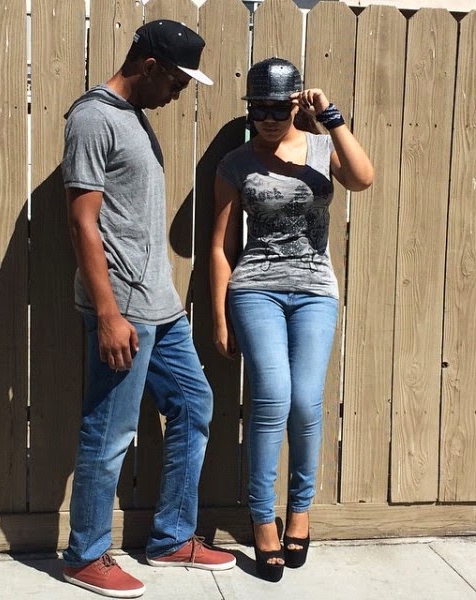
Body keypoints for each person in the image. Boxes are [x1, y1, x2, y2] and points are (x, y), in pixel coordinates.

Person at [60, 19, 236, 599]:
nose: (179, 93)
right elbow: (82, 222)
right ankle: (85, 555)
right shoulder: (94, 118)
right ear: (150, 65)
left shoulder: (135, 117)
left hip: (159, 305)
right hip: (124, 308)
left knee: (194, 402)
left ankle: (171, 538)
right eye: (177, 81)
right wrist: (109, 315)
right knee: (109, 430)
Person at [210, 57, 373, 582]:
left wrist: (331, 117)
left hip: (315, 291)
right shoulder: (236, 162)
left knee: (305, 402)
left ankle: (299, 510)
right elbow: (220, 246)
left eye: (278, 108)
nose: (267, 118)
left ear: (295, 104)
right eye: (258, 109)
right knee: (272, 399)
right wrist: (219, 316)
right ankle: (263, 519)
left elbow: (363, 179)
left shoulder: (322, 149)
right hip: (256, 288)